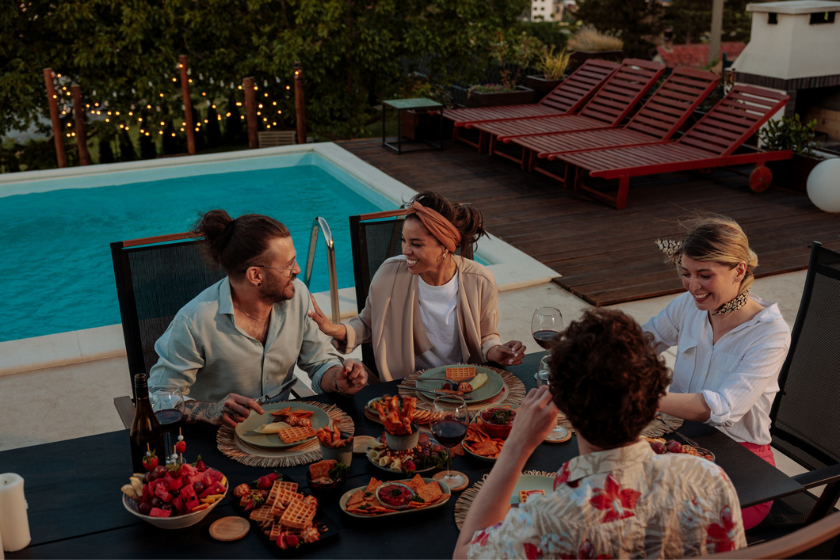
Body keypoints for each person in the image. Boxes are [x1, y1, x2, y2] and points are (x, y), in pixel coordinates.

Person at [455, 308, 745, 559]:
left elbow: (465, 553)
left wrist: (517, 444)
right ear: (654, 399)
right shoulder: (709, 480)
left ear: (565, 407)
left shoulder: (548, 522)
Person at [149, 210, 367, 428]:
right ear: (255, 275)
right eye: (288, 265)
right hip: (218, 434)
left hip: (281, 429)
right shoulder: (195, 322)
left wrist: (337, 378)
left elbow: (319, 362)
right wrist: (210, 410)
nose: (297, 270)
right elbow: (158, 397)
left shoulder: (298, 295)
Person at [643, 216, 790, 529]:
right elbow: (643, 341)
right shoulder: (688, 306)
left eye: (704, 275)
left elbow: (722, 407)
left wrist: (642, 398)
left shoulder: (769, 334)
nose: (693, 286)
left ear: (739, 270)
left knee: (649, 518)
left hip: (741, 466)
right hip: (681, 442)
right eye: (686, 274)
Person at [309, 191, 524, 381]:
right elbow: (367, 324)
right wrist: (333, 329)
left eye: (416, 244)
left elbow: (486, 337)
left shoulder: (480, 280)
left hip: (464, 386)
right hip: (407, 387)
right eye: (403, 240)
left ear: (445, 246)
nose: (405, 251)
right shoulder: (389, 274)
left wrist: (496, 351)